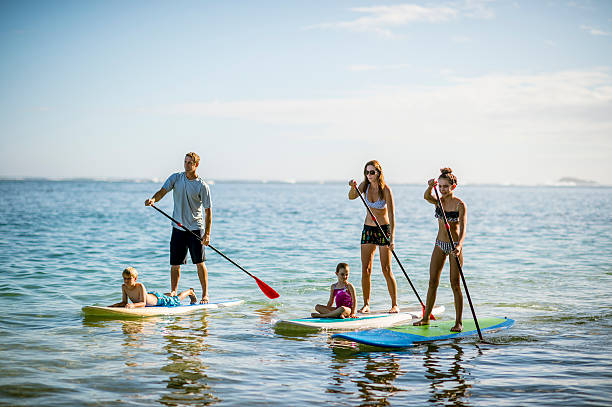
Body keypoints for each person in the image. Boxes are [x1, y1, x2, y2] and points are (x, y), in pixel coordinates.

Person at [145, 152, 212, 304]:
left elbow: (208, 212)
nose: (186, 165)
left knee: (199, 263)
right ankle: (174, 291)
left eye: (189, 163)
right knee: (175, 264)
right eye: (185, 162)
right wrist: (153, 199)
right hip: (178, 227)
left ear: (196, 165)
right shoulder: (176, 178)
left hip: (195, 229)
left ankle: (205, 294)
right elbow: (162, 191)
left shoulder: (202, 186)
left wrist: (207, 234)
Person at [414, 168, 467, 332]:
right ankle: (425, 319)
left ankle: (458, 322)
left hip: (454, 247)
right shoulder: (438, 201)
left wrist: (459, 246)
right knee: (432, 282)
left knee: (455, 284)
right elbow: (426, 196)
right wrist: (430, 186)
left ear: (453, 186)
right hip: (439, 244)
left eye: (446, 186)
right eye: (441, 186)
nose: (443, 189)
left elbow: (464, 228)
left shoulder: (460, 204)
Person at [348, 160, 399, 314]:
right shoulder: (364, 185)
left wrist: (392, 239)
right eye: (367, 172)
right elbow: (351, 197)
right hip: (368, 230)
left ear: (378, 173)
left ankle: (395, 304)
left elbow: (392, 215)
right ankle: (366, 304)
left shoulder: (386, 191)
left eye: (372, 172)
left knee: (386, 268)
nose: (369, 175)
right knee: (366, 268)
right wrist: (352, 187)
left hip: (384, 230)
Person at [109, 267, 197, 308]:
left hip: (158, 299)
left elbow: (143, 303)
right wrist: (114, 306)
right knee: (170, 296)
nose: (126, 281)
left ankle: (190, 291)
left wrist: (133, 305)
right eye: (125, 279)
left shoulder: (140, 286)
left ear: (135, 279)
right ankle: (169, 294)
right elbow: (124, 302)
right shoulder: (124, 287)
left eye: (129, 279)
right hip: (151, 295)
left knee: (176, 300)